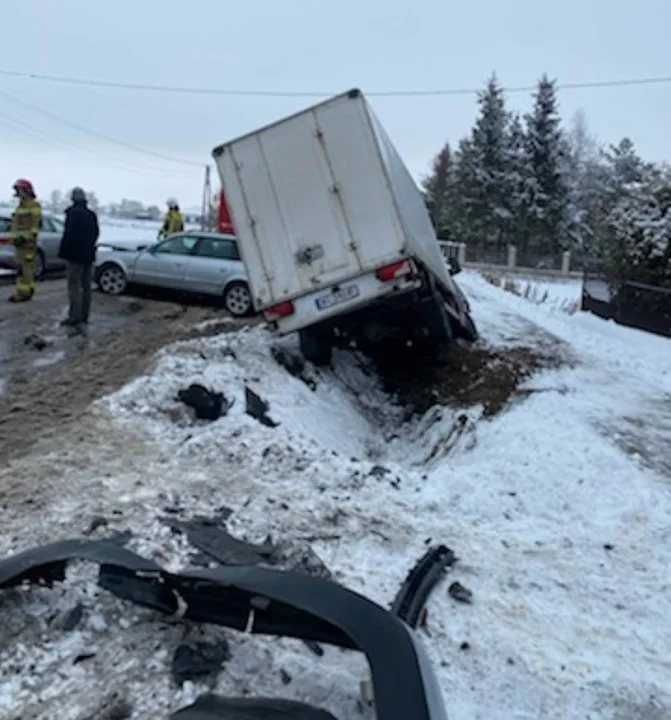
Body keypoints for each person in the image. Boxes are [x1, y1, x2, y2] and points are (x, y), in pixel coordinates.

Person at [58, 187, 100, 330]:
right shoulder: (91, 214)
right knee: (86, 286)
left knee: (74, 286)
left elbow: (68, 235)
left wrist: (64, 252)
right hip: (88, 255)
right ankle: (84, 315)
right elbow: (96, 233)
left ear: (73, 198)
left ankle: (74, 316)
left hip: (74, 256)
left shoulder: (72, 213)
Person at [8, 179, 42, 303]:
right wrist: (15, 238)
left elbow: (35, 227)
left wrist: (24, 238)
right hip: (19, 245)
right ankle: (22, 291)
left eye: (20, 190)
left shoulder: (34, 206)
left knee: (25, 270)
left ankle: (25, 293)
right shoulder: (20, 206)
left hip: (28, 245)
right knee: (21, 270)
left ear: (27, 191)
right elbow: (16, 225)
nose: (18, 193)